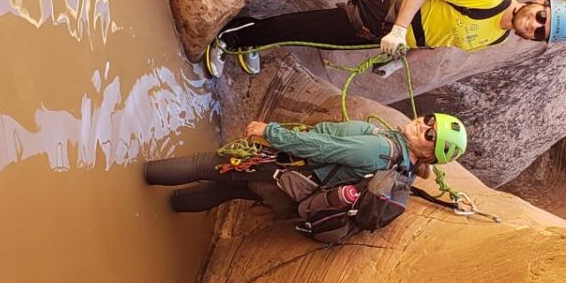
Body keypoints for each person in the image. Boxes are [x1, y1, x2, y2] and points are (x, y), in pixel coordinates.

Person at [204, 0, 566, 77]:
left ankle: (249, 40)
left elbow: (438, 39)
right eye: (541, 18)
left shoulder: (496, 37)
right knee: (308, 29)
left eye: (539, 34)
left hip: (389, 34)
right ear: (540, 1)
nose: (533, 26)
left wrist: (400, 60)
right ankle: (231, 37)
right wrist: (399, 28)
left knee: (311, 34)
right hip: (384, 13)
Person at [143, 113, 468, 218]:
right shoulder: (402, 169)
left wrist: (270, 132)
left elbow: (321, 146)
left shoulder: (379, 149)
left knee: (205, 164)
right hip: (292, 192)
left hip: (285, 172)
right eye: (429, 121)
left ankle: (132, 179)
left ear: (428, 155)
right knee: (223, 191)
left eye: (429, 135)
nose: (421, 126)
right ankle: (168, 206)